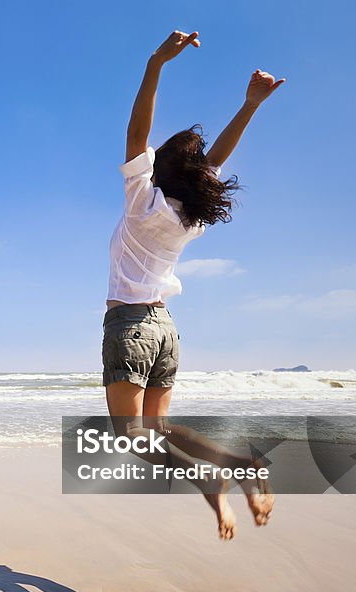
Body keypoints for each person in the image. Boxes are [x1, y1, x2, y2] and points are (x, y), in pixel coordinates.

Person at [102, 30, 283, 539]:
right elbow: (214, 162)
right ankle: (241, 464)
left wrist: (155, 63)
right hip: (165, 329)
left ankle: (208, 477)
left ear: (158, 170)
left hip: (130, 324)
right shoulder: (189, 217)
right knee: (156, 431)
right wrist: (250, 106)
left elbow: (138, 134)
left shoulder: (144, 202)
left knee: (133, 437)